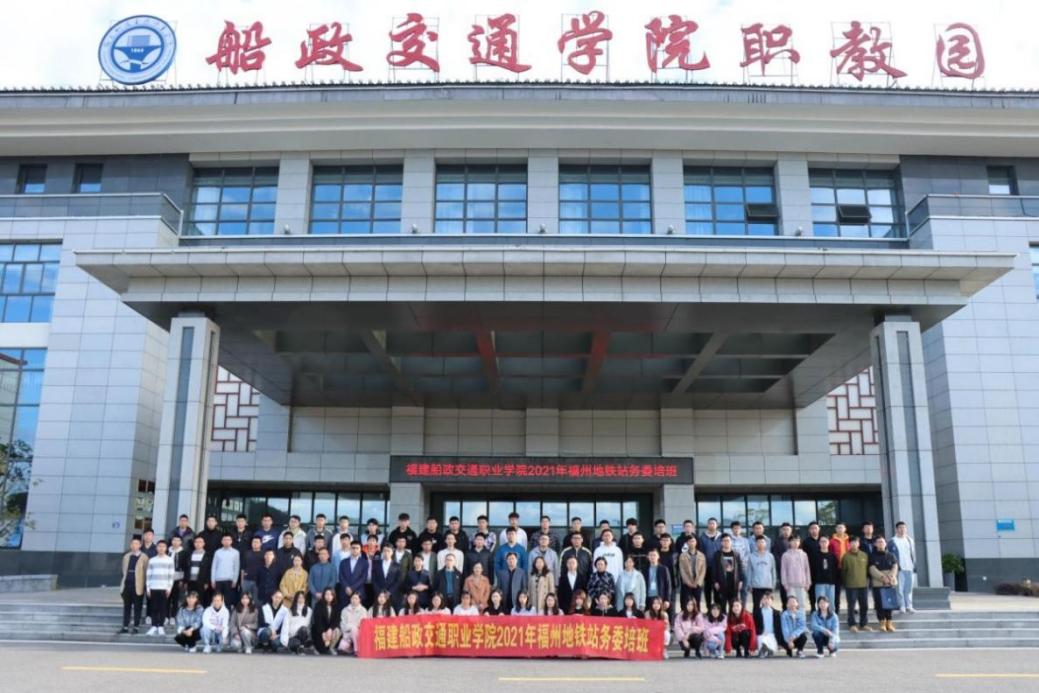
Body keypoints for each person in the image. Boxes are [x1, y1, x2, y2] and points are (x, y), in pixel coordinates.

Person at [869, 536, 900, 632]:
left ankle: (889, 623)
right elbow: (872, 569)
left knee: (889, 604)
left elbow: (895, 566)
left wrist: (890, 577)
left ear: (885, 543)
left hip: (890, 582)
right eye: (878, 542)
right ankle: (882, 623)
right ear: (875, 544)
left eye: (882, 542)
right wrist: (883, 577)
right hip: (878, 583)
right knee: (879, 604)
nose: (881, 543)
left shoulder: (891, 555)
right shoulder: (872, 556)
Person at [119, 537, 149, 634]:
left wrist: (145, 585)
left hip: (138, 586)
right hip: (127, 585)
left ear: (140, 545)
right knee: (127, 606)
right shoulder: (126, 556)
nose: (134, 546)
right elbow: (123, 570)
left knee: (137, 607)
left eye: (136, 544)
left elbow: (146, 572)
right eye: (133, 544)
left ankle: (136, 626)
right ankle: (125, 626)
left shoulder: (144, 557)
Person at [841, 537, 871, 632]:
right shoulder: (846, 556)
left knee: (864, 605)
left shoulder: (864, 555)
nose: (854, 544)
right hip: (850, 585)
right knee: (851, 606)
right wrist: (845, 583)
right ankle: (852, 624)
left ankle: (864, 623)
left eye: (856, 542)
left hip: (863, 585)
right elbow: (843, 571)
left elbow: (867, 570)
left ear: (859, 543)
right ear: (849, 544)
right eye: (852, 542)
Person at [146, 539, 174, 636]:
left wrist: (169, 588)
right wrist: (148, 588)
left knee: (163, 608)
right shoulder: (152, 560)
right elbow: (148, 575)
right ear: (156, 548)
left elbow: (171, 575)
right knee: (154, 607)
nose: (161, 548)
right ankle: (154, 626)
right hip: (153, 587)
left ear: (166, 548)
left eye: (163, 546)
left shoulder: (170, 560)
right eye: (159, 546)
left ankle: (161, 626)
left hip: (164, 588)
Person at [781, 535, 811, 618]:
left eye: (797, 541)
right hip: (790, 585)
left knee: (802, 605)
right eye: (793, 541)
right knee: (791, 604)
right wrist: (785, 584)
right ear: (789, 542)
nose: (795, 543)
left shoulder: (804, 554)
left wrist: (808, 583)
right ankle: (792, 623)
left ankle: (802, 623)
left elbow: (807, 569)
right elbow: (783, 570)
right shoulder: (785, 555)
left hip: (802, 584)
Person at [748, 535, 776, 619]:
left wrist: (773, 584)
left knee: (767, 605)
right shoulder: (751, 556)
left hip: (767, 585)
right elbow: (749, 571)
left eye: (762, 542)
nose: (760, 544)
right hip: (756, 586)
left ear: (765, 543)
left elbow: (773, 571)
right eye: (758, 542)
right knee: (756, 606)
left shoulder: (770, 556)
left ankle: (767, 623)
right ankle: (756, 623)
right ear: (756, 544)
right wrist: (749, 584)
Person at [891, 521, 917, 614]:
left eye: (904, 528)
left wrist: (914, 565)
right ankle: (901, 606)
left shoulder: (910, 540)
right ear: (896, 529)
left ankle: (909, 606)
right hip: (899, 568)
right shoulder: (892, 541)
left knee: (909, 588)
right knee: (900, 588)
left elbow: (913, 554)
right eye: (900, 528)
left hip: (910, 567)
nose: (902, 530)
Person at [699, 518, 723, 610]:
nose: (711, 525)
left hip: (718, 567)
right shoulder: (702, 537)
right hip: (707, 567)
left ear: (717, 525)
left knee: (718, 588)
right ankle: (709, 608)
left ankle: (718, 609)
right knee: (707, 588)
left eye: (713, 523)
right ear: (707, 525)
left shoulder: (721, 536)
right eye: (710, 523)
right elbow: (701, 552)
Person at [211, 533, 241, 607]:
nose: (226, 541)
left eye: (228, 540)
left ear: (231, 541)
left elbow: (236, 567)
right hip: (218, 580)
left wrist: (235, 580)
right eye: (224, 540)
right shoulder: (217, 552)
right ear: (222, 541)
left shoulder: (236, 552)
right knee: (217, 600)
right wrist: (212, 580)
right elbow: (214, 567)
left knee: (228, 601)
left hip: (229, 580)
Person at [678, 535, 706, 610]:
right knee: (685, 603)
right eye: (690, 541)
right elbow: (682, 570)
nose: (691, 543)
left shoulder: (701, 555)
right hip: (686, 584)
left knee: (697, 603)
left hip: (697, 583)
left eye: (693, 541)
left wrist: (698, 582)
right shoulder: (682, 555)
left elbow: (703, 570)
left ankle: (697, 616)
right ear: (687, 543)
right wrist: (688, 582)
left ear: (696, 542)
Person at [338, 540, 369, 607]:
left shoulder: (364, 562)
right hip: (345, 592)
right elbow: (341, 576)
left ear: (360, 549)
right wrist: (346, 587)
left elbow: (363, 578)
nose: (355, 550)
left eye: (357, 548)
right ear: (350, 548)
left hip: (358, 592)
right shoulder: (343, 562)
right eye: (353, 548)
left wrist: (352, 588)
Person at [811, 536, 839, 610]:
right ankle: (820, 617)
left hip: (831, 583)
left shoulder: (833, 556)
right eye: (822, 541)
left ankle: (831, 617)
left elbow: (836, 570)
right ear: (819, 543)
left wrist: (835, 581)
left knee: (831, 603)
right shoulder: (815, 555)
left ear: (828, 543)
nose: (823, 543)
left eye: (825, 541)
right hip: (819, 583)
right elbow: (812, 569)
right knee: (820, 603)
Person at [183, 535, 212, 607]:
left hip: (201, 582)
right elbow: (186, 568)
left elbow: (209, 570)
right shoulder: (189, 554)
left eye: (200, 542)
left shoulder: (207, 555)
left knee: (200, 600)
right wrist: (185, 581)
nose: (198, 544)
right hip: (190, 581)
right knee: (190, 599)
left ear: (204, 543)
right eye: (196, 542)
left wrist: (206, 582)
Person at [753, 590, 783, 658]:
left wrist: (780, 641)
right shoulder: (757, 612)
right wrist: (761, 632)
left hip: (772, 634)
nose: (766, 601)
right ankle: (764, 650)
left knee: (770, 639)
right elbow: (755, 626)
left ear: (772, 601)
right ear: (761, 601)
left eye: (768, 599)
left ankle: (766, 650)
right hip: (761, 634)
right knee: (762, 639)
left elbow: (779, 628)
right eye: (764, 599)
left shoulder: (777, 613)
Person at [312, 588, 341, 655]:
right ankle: (319, 647)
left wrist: (330, 629)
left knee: (337, 630)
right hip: (320, 630)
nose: (328, 596)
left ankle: (331, 647)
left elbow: (337, 620)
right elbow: (317, 621)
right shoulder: (318, 605)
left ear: (333, 596)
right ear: (324, 595)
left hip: (330, 629)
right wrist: (323, 633)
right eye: (326, 594)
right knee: (322, 650)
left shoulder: (337, 606)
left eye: (330, 594)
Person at [643, 548, 672, 615]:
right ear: (648, 557)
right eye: (650, 555)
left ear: (658, 556)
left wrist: (667, 599)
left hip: (660, 597)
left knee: (660, 616)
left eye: (654, 555)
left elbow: (668, 585)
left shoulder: (663, 569)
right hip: (648, 597)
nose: (652, 557)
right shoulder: (645, 569)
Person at [730, 522, 752, 606]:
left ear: (741, 529)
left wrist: (743, 561)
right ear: (732, 529)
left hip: (743, 566)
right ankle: (734, 608)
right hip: (732, 567)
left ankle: (743, 608)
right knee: (734, 589)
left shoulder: (745, 540)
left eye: (738, 528)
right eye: (735, 528)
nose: (737, 530)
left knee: (744, 589)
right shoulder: (729, 539)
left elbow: (748, 553)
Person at [830, 522, 850, 614]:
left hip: (848, 568)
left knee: (850, 589)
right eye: (838, 527)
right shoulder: (831, 541)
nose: (840, 529)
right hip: (836, 568)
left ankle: (851, 607)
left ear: (845, 529)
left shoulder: (849, 540)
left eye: (842, 527)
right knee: (836, 590)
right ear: (835, 529)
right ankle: (836, 608)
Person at [771, 523, 793, 606]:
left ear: (791, 531)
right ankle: (784, 606)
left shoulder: (795, 540)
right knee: (784, 589)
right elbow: (775, 555)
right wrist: (783, 565)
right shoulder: (777, 542)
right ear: (781, 531)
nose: (786, 531)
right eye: (784, 530)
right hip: (782, 570)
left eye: (787, 530)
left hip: (794, 571)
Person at [241, 536, 265, 603]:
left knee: (257, 601)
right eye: (254, 542)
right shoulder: (247, 553)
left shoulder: (264, 554)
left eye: (257, 542)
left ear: (261, 543)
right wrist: (242, 581)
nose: (255, 543)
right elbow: (243, 568)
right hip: (247, 580)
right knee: (245, 600)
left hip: (258, 582)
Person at [168, 535, 185, 624]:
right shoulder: (167, 551)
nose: (175, 542)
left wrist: (182, 580)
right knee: (167, 598)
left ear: (180, 542)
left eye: (178, 540)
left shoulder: (183, 552)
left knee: (175, 598)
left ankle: (173, 616)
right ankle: (166, 616)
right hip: (167, 578)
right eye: (174, 540)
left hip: (178, 578)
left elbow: (185, 567)